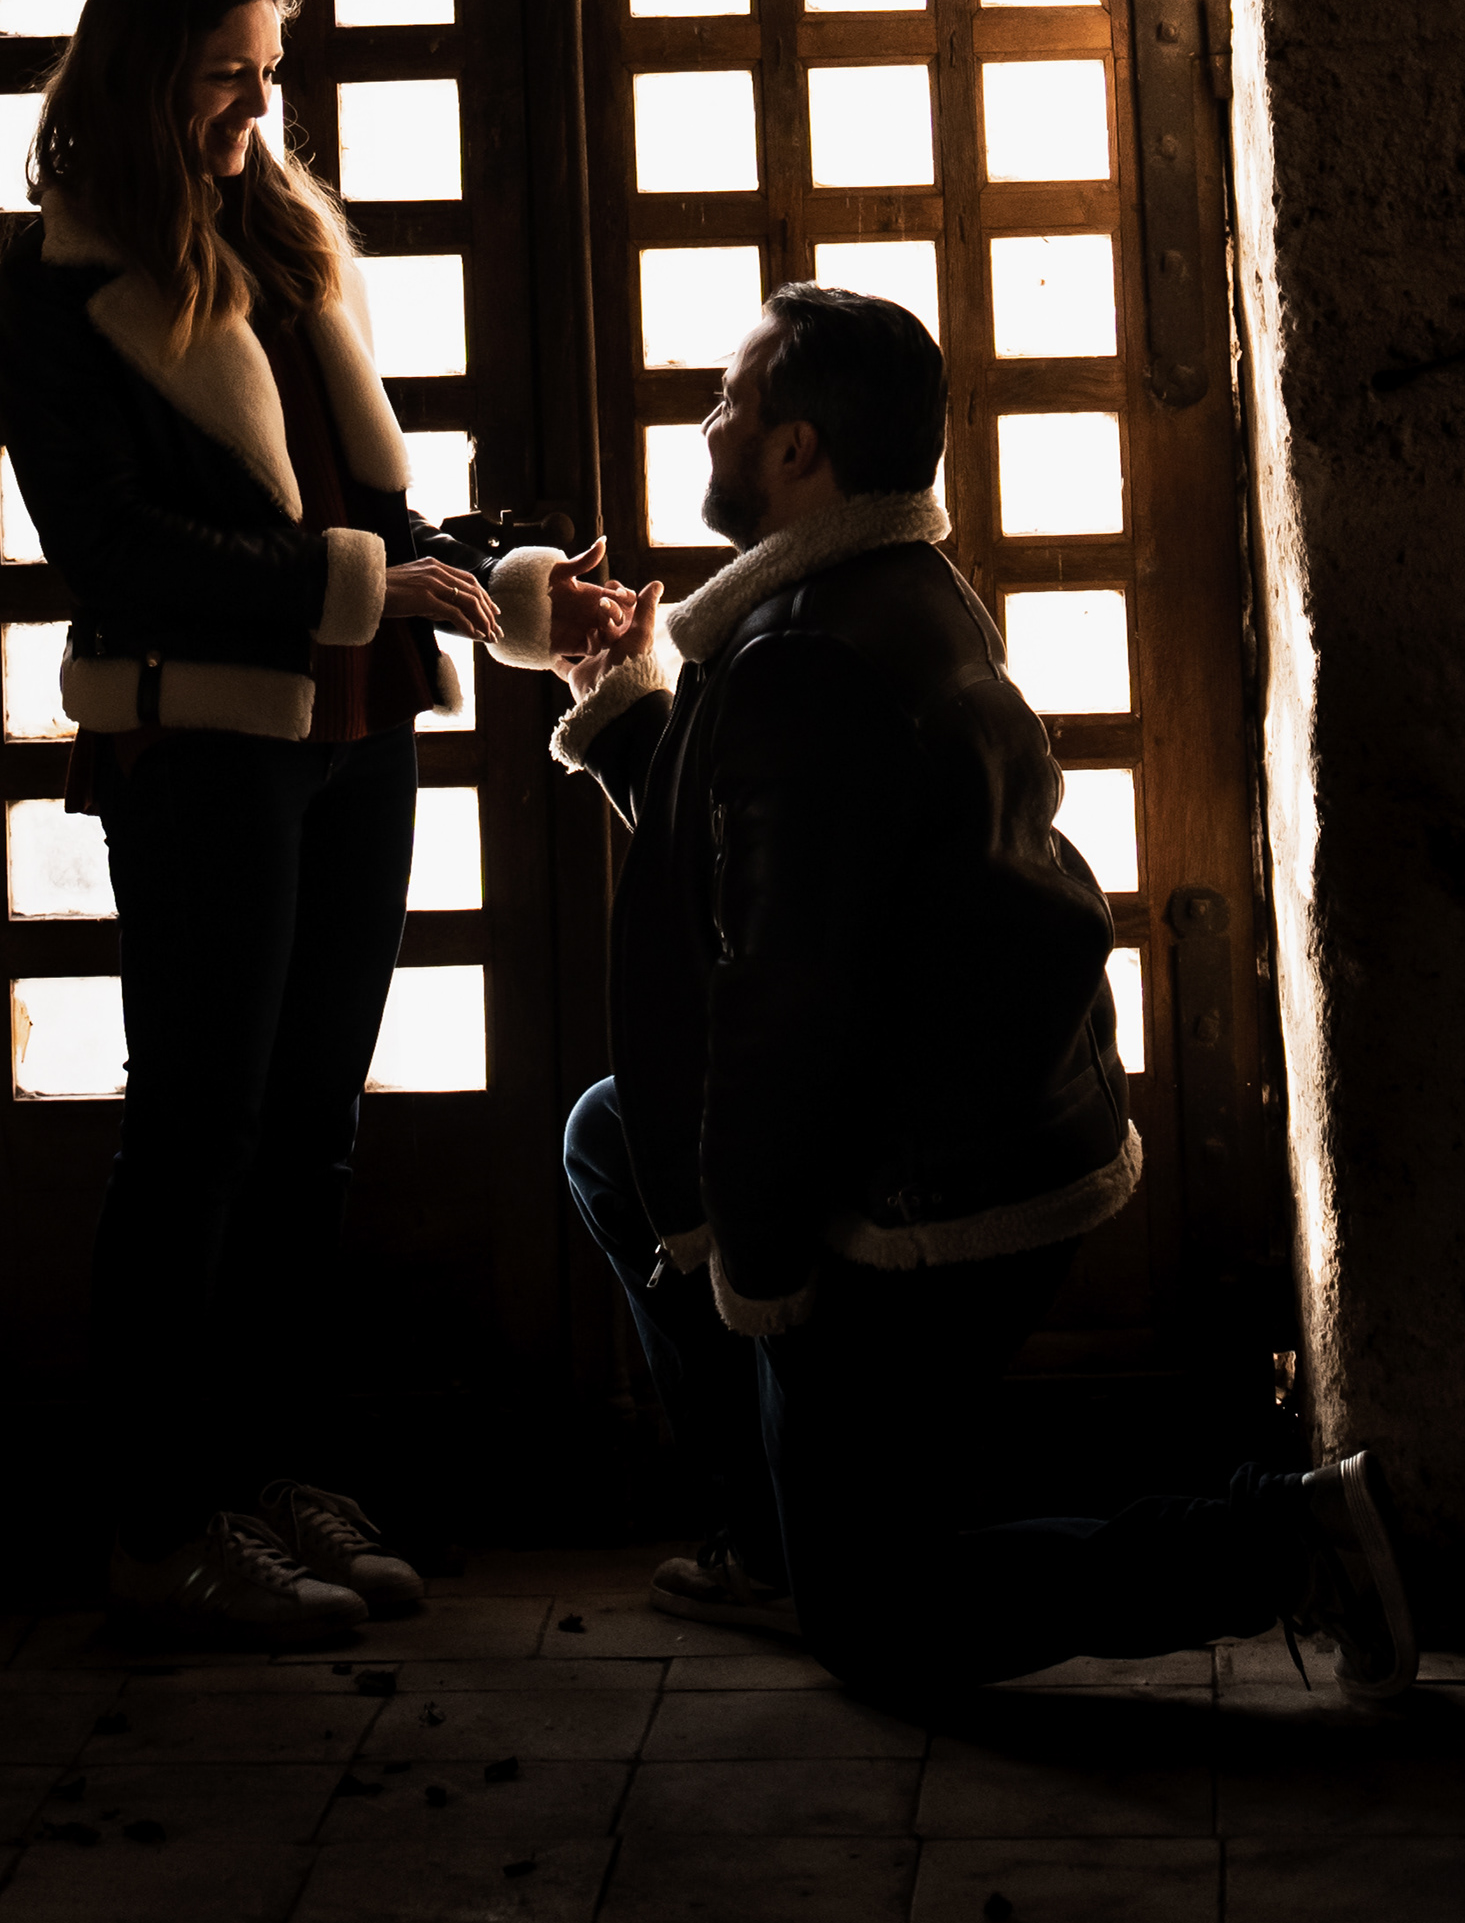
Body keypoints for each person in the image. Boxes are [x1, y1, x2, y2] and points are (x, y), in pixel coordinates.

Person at [551, 282, 1417, 1704]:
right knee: (611, 1135)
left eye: (731, 398)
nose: (708, 421)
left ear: (796, 451)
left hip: (933, 1196)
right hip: (993, 1117)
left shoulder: (804, 654)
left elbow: (784, 1010)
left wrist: (760, 1272)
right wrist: (625, 701)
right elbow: (775, 858)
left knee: (880, 1625)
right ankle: (786, 1534)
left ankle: (1285, 1539)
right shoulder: (878, 591)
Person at [0, 0, 591, 1645]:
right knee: (196, 1134)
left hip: (355, 727)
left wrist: (527, 590)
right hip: (199, 748)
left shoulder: (286, 246)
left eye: (270, 70)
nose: (260, 102)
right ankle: (153, 1526)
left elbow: (372, 516)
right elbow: (112, 544)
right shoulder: (48, 293)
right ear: (137, 79)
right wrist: (356, 586)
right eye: (224, 74)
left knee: (308, 1130)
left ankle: (259, 1485)